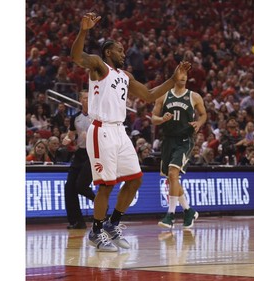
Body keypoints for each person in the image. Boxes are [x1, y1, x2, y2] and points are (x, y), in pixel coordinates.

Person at [70, 12, 191, 252]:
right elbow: (76, 57)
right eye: (120, 50)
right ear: (108, 52)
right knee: (106, 186)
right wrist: (84, 31)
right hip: (101, 129)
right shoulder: (98, 66)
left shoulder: (126, 76)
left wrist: (172, 79)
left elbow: (148, 95)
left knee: (136, 179)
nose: (124, 53)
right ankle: (96, 231)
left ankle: (113, 224)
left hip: (120, 132)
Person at [151, 74, 207, 229]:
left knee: (173, 174)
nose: (183, 77)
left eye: (185, 74)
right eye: (180, 74)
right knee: (171, 178)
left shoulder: (194, 96)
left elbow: (203, 114)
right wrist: (162, 119)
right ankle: (188, 211)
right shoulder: (163, 95)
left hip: (184, 140)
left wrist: (199, 123)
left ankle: (170, 215)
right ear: (174, 77)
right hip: (168, 140)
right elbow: (153, 118)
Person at [62, 90, 96, 229]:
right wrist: (67, 139)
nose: (87, 100)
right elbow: (70, 135)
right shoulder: (75, 117)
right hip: (80, 153)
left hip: (93, 153)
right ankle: (76, 221)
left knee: (81, 186)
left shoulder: (97, 117)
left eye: (89, 97)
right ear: (80, 100)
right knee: (69, 187)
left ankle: (100, 203)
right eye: (84, 98)